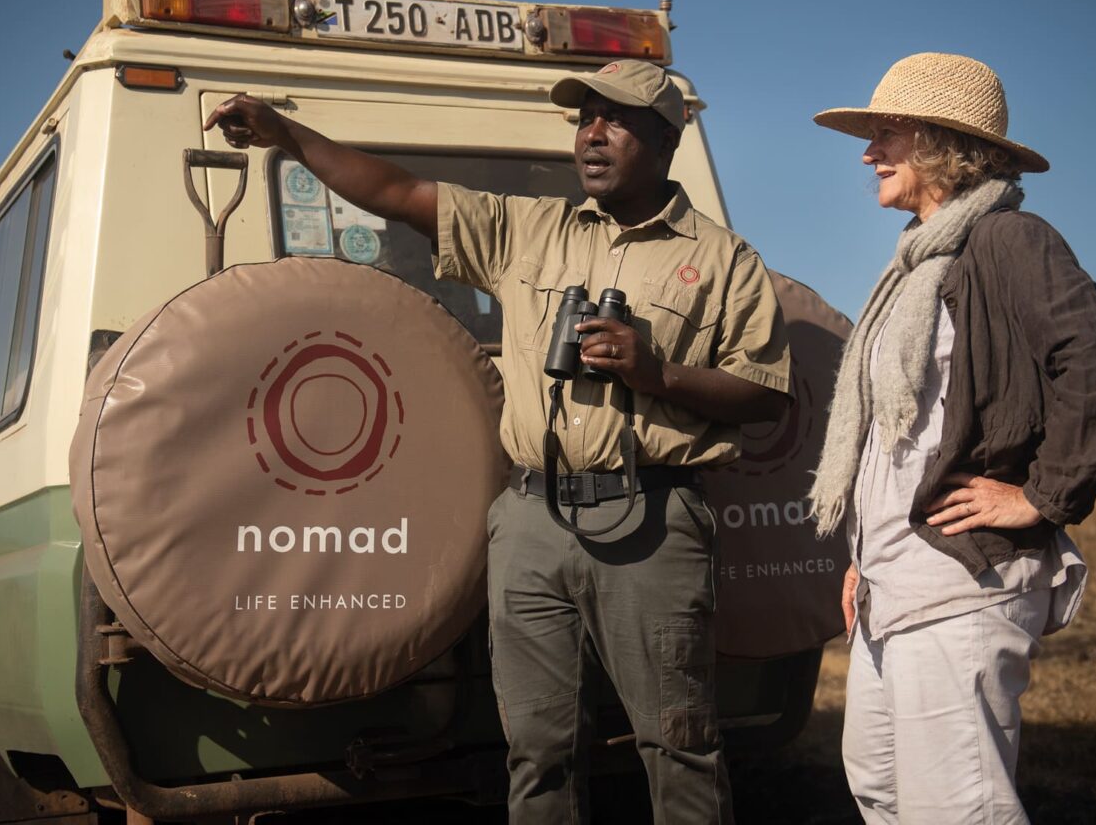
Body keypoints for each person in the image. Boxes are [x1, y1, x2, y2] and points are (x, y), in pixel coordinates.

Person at [206, 59, 792, 824]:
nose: (591, 135)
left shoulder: (723, 260)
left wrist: (657, 373)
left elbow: (764, 397)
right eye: (584, 119)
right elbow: (398, 193)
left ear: (664, 139)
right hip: (530, 520)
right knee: (538, 749)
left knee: (677, 742)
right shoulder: (529, 230)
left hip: (652, 519)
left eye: (614, 120)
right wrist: (288, 135)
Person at [806, 53, 1096, 824]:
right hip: (895, 584)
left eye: (886, 133)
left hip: (960, 585)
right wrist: (864, 558)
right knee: (882, 791)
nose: (867, 153)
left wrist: (1043, 496)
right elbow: (900, 440)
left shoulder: (1009, 240)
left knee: (961, 811)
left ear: (940, 145)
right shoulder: (918, 261)